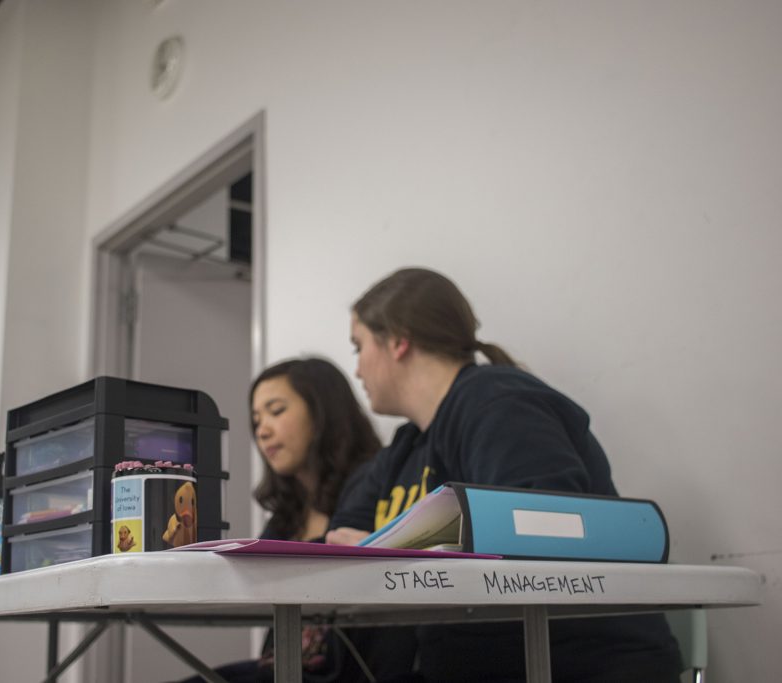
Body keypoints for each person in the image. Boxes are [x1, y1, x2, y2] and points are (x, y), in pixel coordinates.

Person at [326, 267, 683, 683]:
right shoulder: (407, 446)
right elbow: (341, 537)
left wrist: (390, 550)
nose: (356, 370)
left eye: (359, 347)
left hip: (577, 663)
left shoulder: (497, 402)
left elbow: (542, 531)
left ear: (398, 341)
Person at [181, 357, 416, 683]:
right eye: (257, 420)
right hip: (285, 666)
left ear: (323, 414)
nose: (262, 431)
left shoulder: (378, 486)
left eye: (276, 411)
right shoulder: (286, 514)